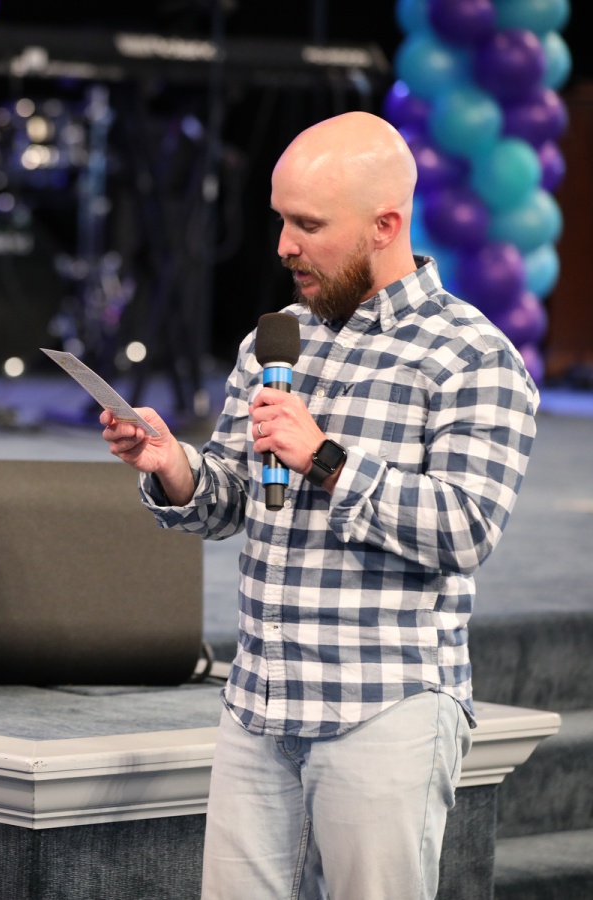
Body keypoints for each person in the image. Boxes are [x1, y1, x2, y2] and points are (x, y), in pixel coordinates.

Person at [101, 111, 538, 899]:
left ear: (384, 226)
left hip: (385, 706)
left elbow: (465, 528)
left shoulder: (471, 357)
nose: (283, 246)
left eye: (308, 225)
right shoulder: (274, 340)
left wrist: (326, 460)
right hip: (260, 703)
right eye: (280, 220)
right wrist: (173, 467)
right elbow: (233, 498)